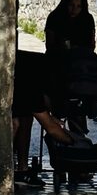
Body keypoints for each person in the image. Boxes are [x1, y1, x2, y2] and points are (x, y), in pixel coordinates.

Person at [12, 48, 73, 186]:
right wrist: (73, 141)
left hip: (20, 82)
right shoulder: (35, 87)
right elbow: (51, 129)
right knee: (14, 124)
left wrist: (51, 117)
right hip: (19, 86)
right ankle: (3, 171)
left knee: (26, 119)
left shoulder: (36, 71)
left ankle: (22, 170)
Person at [44, 0, 96, 125]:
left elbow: (91, 44)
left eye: (78, 6)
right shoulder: (55, 18)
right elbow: (49, 45)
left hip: (79, 67)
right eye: (71, 5)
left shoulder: (87, 19)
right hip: (58, 64)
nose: (74, 10)